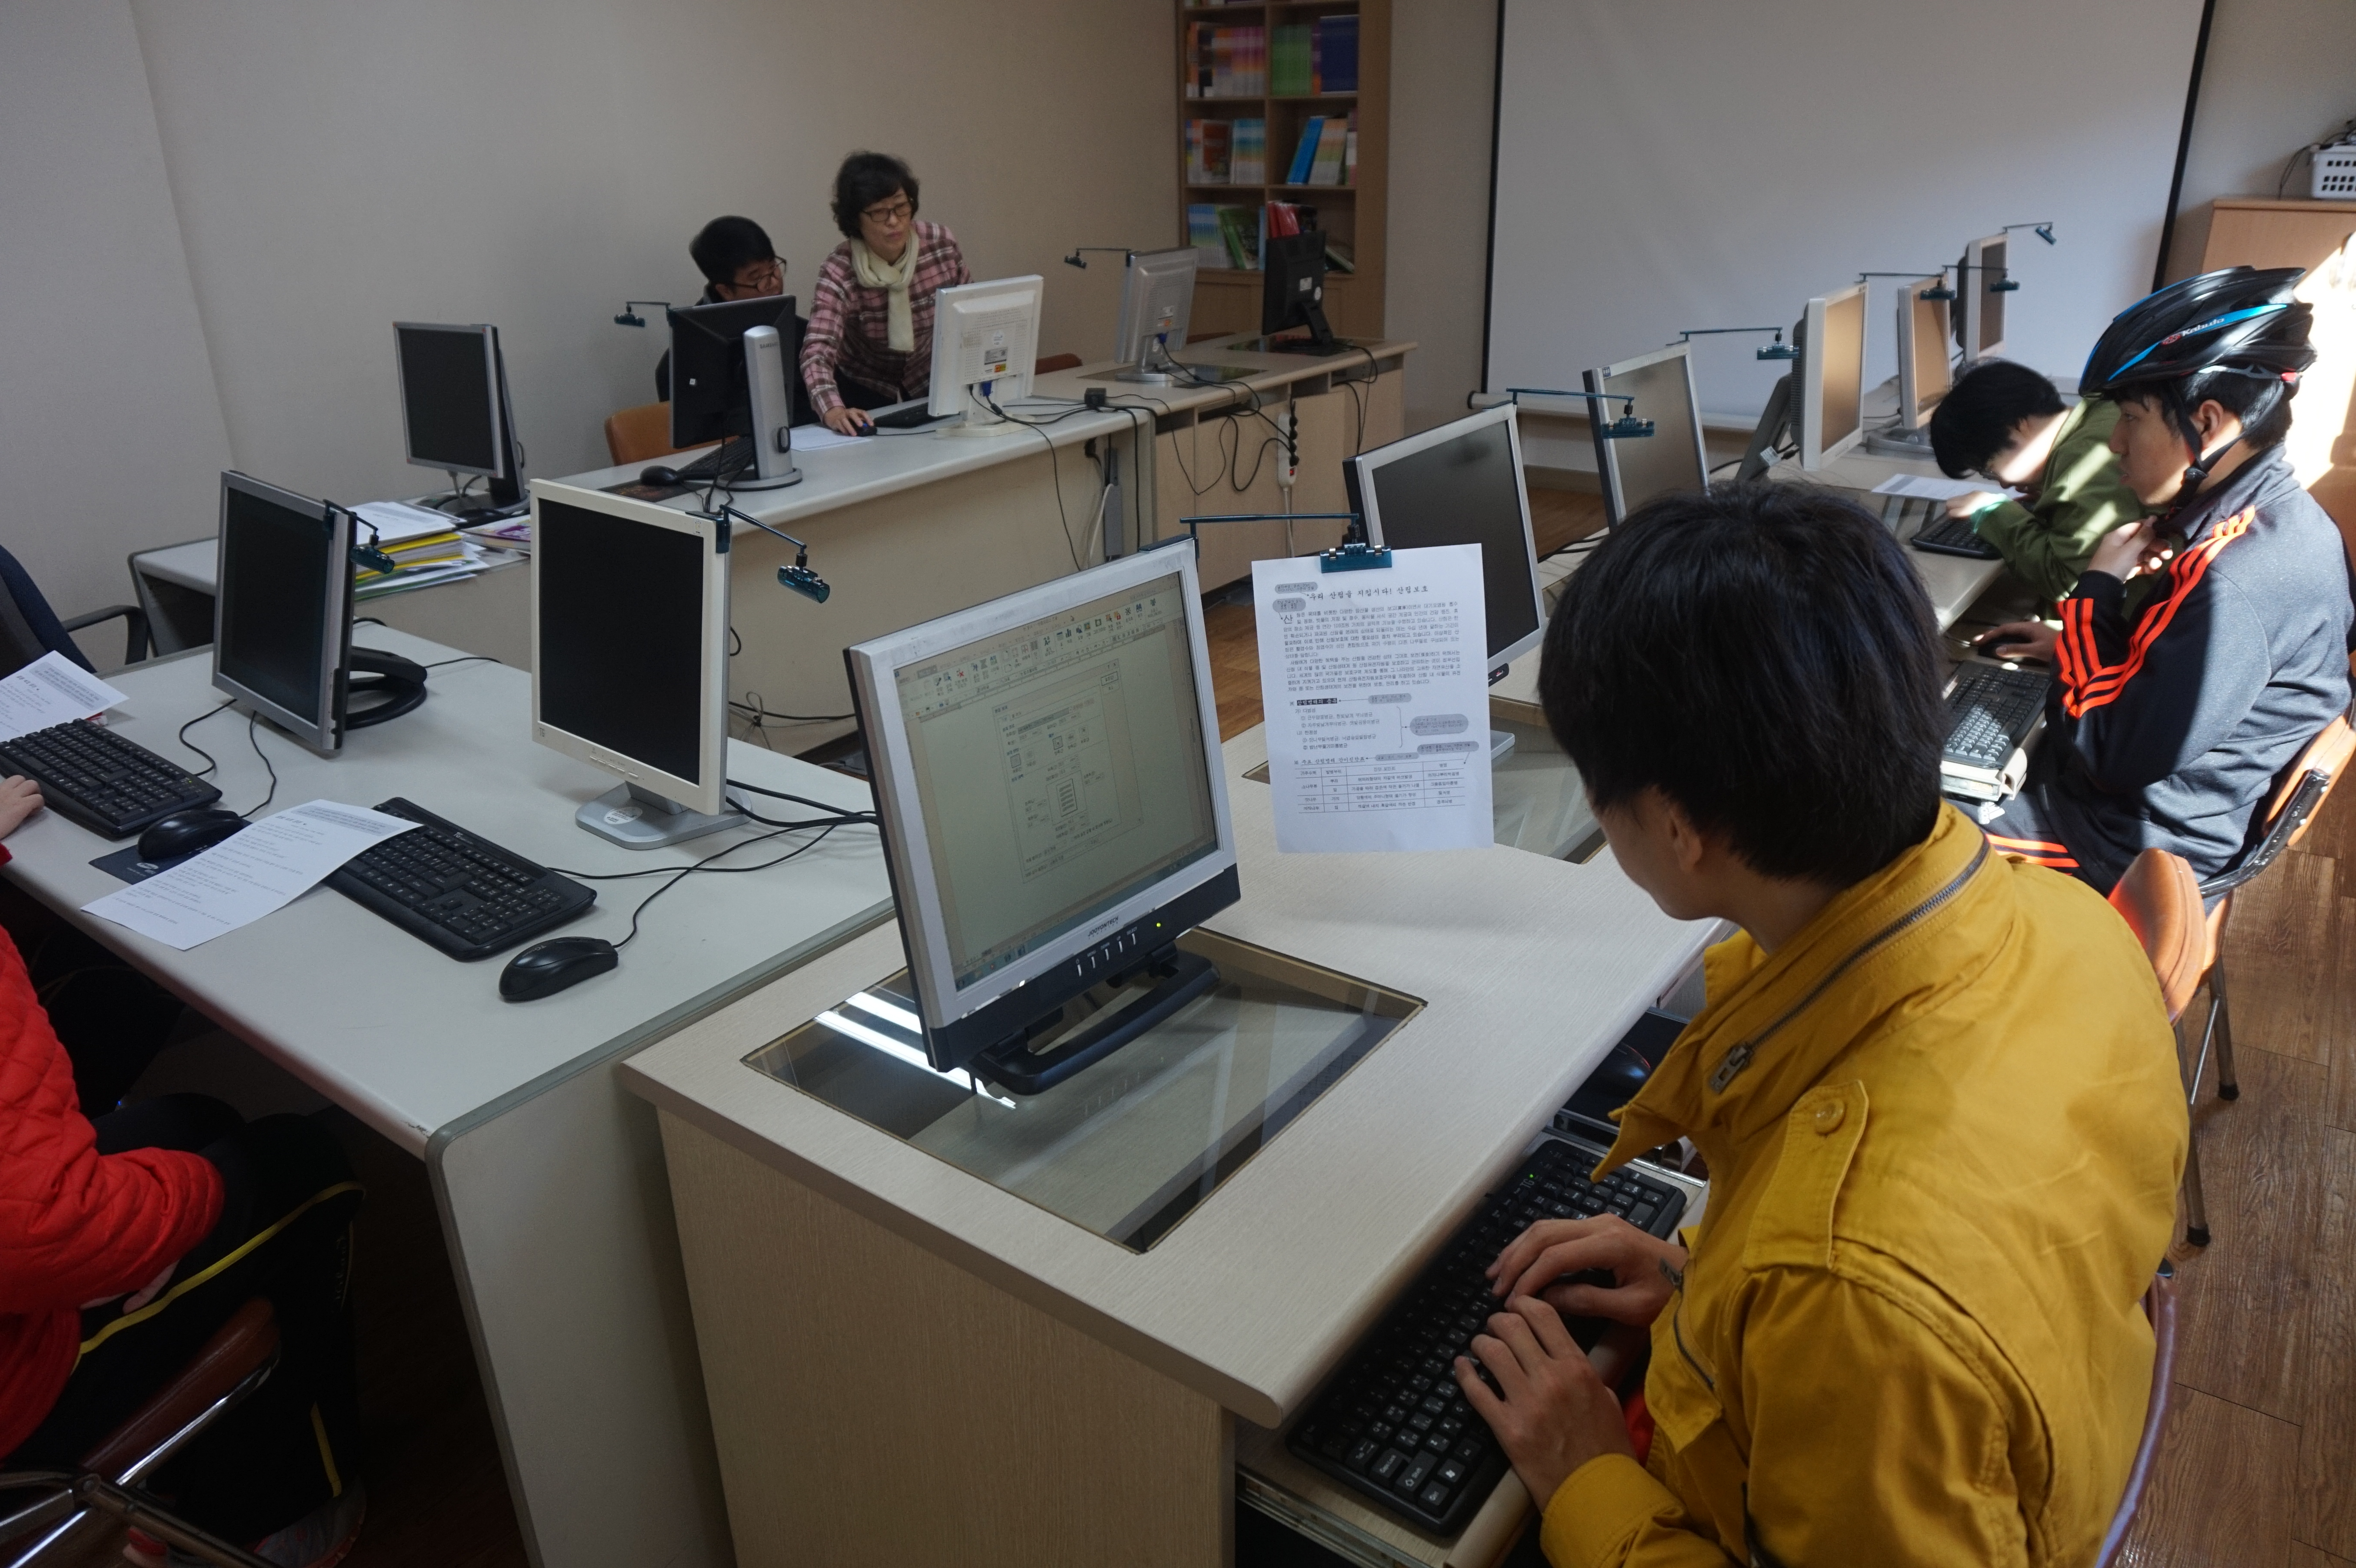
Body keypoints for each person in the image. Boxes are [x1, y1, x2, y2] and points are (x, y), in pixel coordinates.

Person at [1459, 482, 2185, 1566]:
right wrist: (1707, 1285)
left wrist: (1585, 1480)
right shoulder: (2064, 922)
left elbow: (1870, 1293)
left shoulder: (1850, 1299)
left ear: (1676, 825)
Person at [0, 793, 368, 1568]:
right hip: (17, 1385)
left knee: (192, 1119)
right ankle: (266, 1520)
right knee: (303, 1165)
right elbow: (57, 1230)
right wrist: (163, 1215)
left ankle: (178, 1473)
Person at [1972, 267, 2352, 891]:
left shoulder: (2237, 578)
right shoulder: (2276, 518)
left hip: (2124, 848)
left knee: (1899, 815)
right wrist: (2070, 648)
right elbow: (2174, 678)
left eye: (2131, 418)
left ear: (2207, 424)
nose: (2116, 443)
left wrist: (2097, 590)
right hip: (2166, 811)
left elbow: (2105, 753)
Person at [1928, 360, 2144, 604]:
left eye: (1990, 470)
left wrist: (1995, 515)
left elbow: (2075, 586)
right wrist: (2053, 500)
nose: (2003, 485)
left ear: (2017, 427)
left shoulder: (2080, 471)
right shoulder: (2102, 411)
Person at [799, 152, 972, 435]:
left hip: (930, 377)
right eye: (879, 212)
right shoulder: (839, 270)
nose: (894, 221)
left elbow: (970, 315)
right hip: (864, 385)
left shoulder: (940, 245)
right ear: (856, 219)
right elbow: (817, 350)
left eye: (901, 207)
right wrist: (833, 410)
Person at [652, 215, 788, 403]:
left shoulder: (800, 333)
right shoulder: (682, 365)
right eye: (757, 278)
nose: (774, 283)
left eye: (774, 268)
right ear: (726, 291)